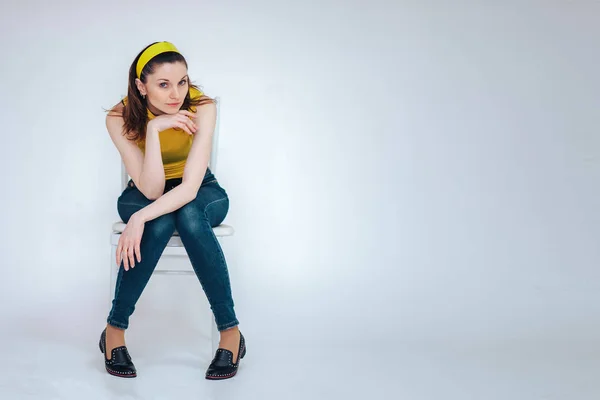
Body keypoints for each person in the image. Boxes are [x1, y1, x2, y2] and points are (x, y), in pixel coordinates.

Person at [100, 41, 245, 380]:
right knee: (161, 219)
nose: (176, 94)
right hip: (144, 187)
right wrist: (153, 129)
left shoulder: (202, 106)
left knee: (190, 217)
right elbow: (151, 189)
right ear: (141, 86)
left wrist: (139, 217)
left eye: (182, 81)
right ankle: (114, 332)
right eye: (163, 84)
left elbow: (191, 188)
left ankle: (230, 333)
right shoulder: (118, 116)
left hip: (200, 187)